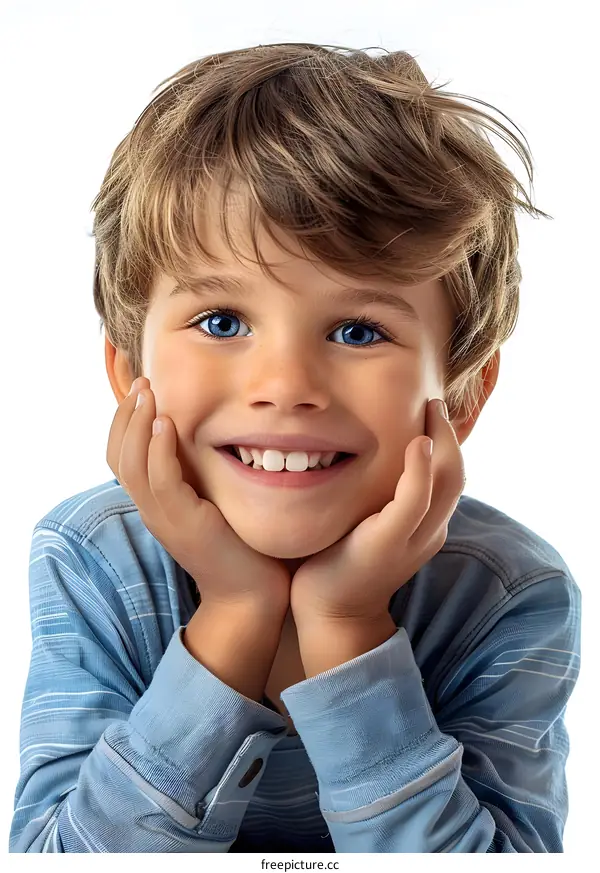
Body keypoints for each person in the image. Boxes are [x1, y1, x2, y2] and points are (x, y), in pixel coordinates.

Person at [10, 42, 581, 853]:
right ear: (131, 370)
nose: (285, 384)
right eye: (222, 322)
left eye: (358, 330)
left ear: (461, 391)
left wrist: (348, 625)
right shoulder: (94, 558)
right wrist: (236, 612)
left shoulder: (506, 592)